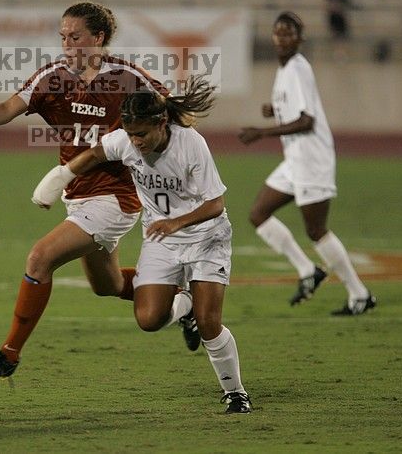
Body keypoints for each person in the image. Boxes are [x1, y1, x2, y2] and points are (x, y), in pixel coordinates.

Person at [0, 2, 200, 383]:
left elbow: (166, 111)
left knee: (40, 258)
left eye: (75, 37)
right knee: (106, 286)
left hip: (116, 197)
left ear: (99, 38)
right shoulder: (53, 77)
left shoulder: (126, 78)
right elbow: (9, 107)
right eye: (62, 37)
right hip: (77, 194)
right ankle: (182, 300)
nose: (67, 44)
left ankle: (8, 353)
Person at [32, 76, 252, 414]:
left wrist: (175, 222)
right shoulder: (125, 140)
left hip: (206, 236)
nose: (136, 142)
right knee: (148, 319)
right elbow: (94, 153)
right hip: (161, 240)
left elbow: (215, 204)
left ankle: (235, 392)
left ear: (161, 123)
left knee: (210, 324)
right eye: (131, 134)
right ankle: (186, 306)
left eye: (142, 134)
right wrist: (61, 176)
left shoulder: (191, 144)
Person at [238, 11, 377, 316]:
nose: (282, 38)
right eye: (278, 32)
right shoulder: (285, 69)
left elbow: (306, 120)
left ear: (300, 38)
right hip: (295, 159)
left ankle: (359, 294)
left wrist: (262, 132)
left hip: (312, 158)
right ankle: (308, 271)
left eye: (289, 33)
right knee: (258, 213)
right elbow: (294, 107)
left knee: (316, 230)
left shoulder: (299, 68)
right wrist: (273, 108)